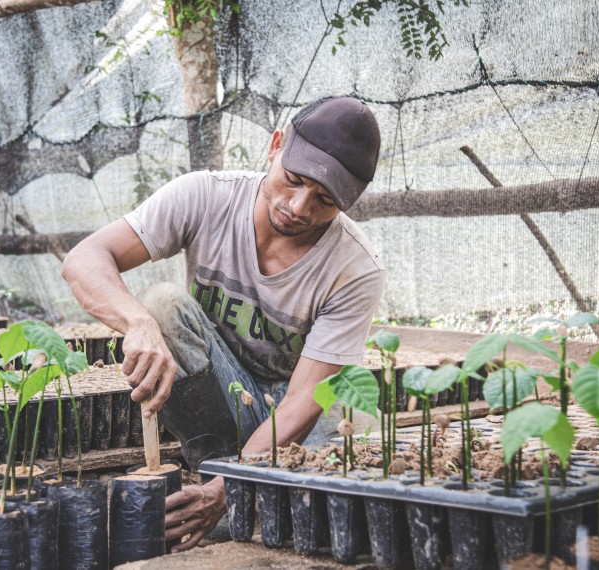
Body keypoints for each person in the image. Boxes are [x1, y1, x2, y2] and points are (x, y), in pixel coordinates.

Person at [61, 96, 387, 551]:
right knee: (160, 305)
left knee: (360, 448)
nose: (297, 206)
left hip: (295, 412)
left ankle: (232, 485)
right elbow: (85, 259)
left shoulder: (355, 268)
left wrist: (231, 488)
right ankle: (214, 465)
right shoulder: (207, 196)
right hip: (225, 391)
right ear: (275, 145)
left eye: (325, 200)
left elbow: (302, 399)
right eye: (294, 180)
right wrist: (137, 324)